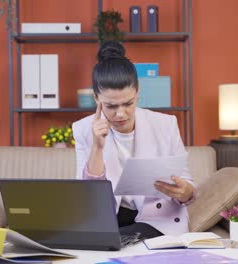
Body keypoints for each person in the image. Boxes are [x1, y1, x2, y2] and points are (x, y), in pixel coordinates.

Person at [72, 41, 196, 239]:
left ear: (137, 93)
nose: (121, 114)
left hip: (155, 219)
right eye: (111, 106)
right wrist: (97, 148)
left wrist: (186, 193)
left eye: (128, 103)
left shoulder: (165, 124)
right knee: (91, 237)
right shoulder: (83, 129)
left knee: (107, 241)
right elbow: (89, 199)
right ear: (96, 98)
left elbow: (187, 185)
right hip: (111, 217)